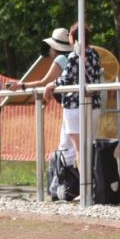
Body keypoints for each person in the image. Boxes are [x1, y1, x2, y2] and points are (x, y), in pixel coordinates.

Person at [6, 27, 73, 161]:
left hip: (71, 105)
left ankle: (67, 178)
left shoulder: (61, 59)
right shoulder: (73, 57)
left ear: (55, 47)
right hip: (81, 103)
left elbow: (45, 82)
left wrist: (21, 85)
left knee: (66, 146)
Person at [43, 23, 102, 170]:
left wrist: (51, 85)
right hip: (94, 104)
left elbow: (66, 79)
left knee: (79, 150)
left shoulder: (74, 55)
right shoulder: (94, 53)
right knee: (90, 147)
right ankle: (92, 184)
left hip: (75, 106)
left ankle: (84, 188)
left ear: (73, 37)